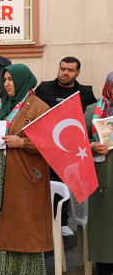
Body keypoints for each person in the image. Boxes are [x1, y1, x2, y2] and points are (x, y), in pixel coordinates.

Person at [0, 64, 52, 275]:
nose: (8, 83)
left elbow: (50, 144)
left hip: (23, 174)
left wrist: (22, 143)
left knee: (22, 222)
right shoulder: (5, 105)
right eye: (6, 79)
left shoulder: (39, 107)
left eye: (11, 79)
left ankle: (28, 274)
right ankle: (6, 270)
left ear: (23, 80)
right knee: (2, 220)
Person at [35, 56, 98, 234]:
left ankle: (62, 222)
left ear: (78, 73)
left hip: (72, 149)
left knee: (66, 185)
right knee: (45, 186)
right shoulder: (44, 88)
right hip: (46, 146)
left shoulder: (85, 93)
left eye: (70, 70)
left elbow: (91, 120)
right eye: (62, 68)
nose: (65, 73)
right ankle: (45, 224)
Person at [84, 71, 113, 275]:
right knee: (103, 219)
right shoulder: (93, 110)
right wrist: (93, 145)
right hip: (103, 174)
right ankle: (104, 266)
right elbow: (78, 141)